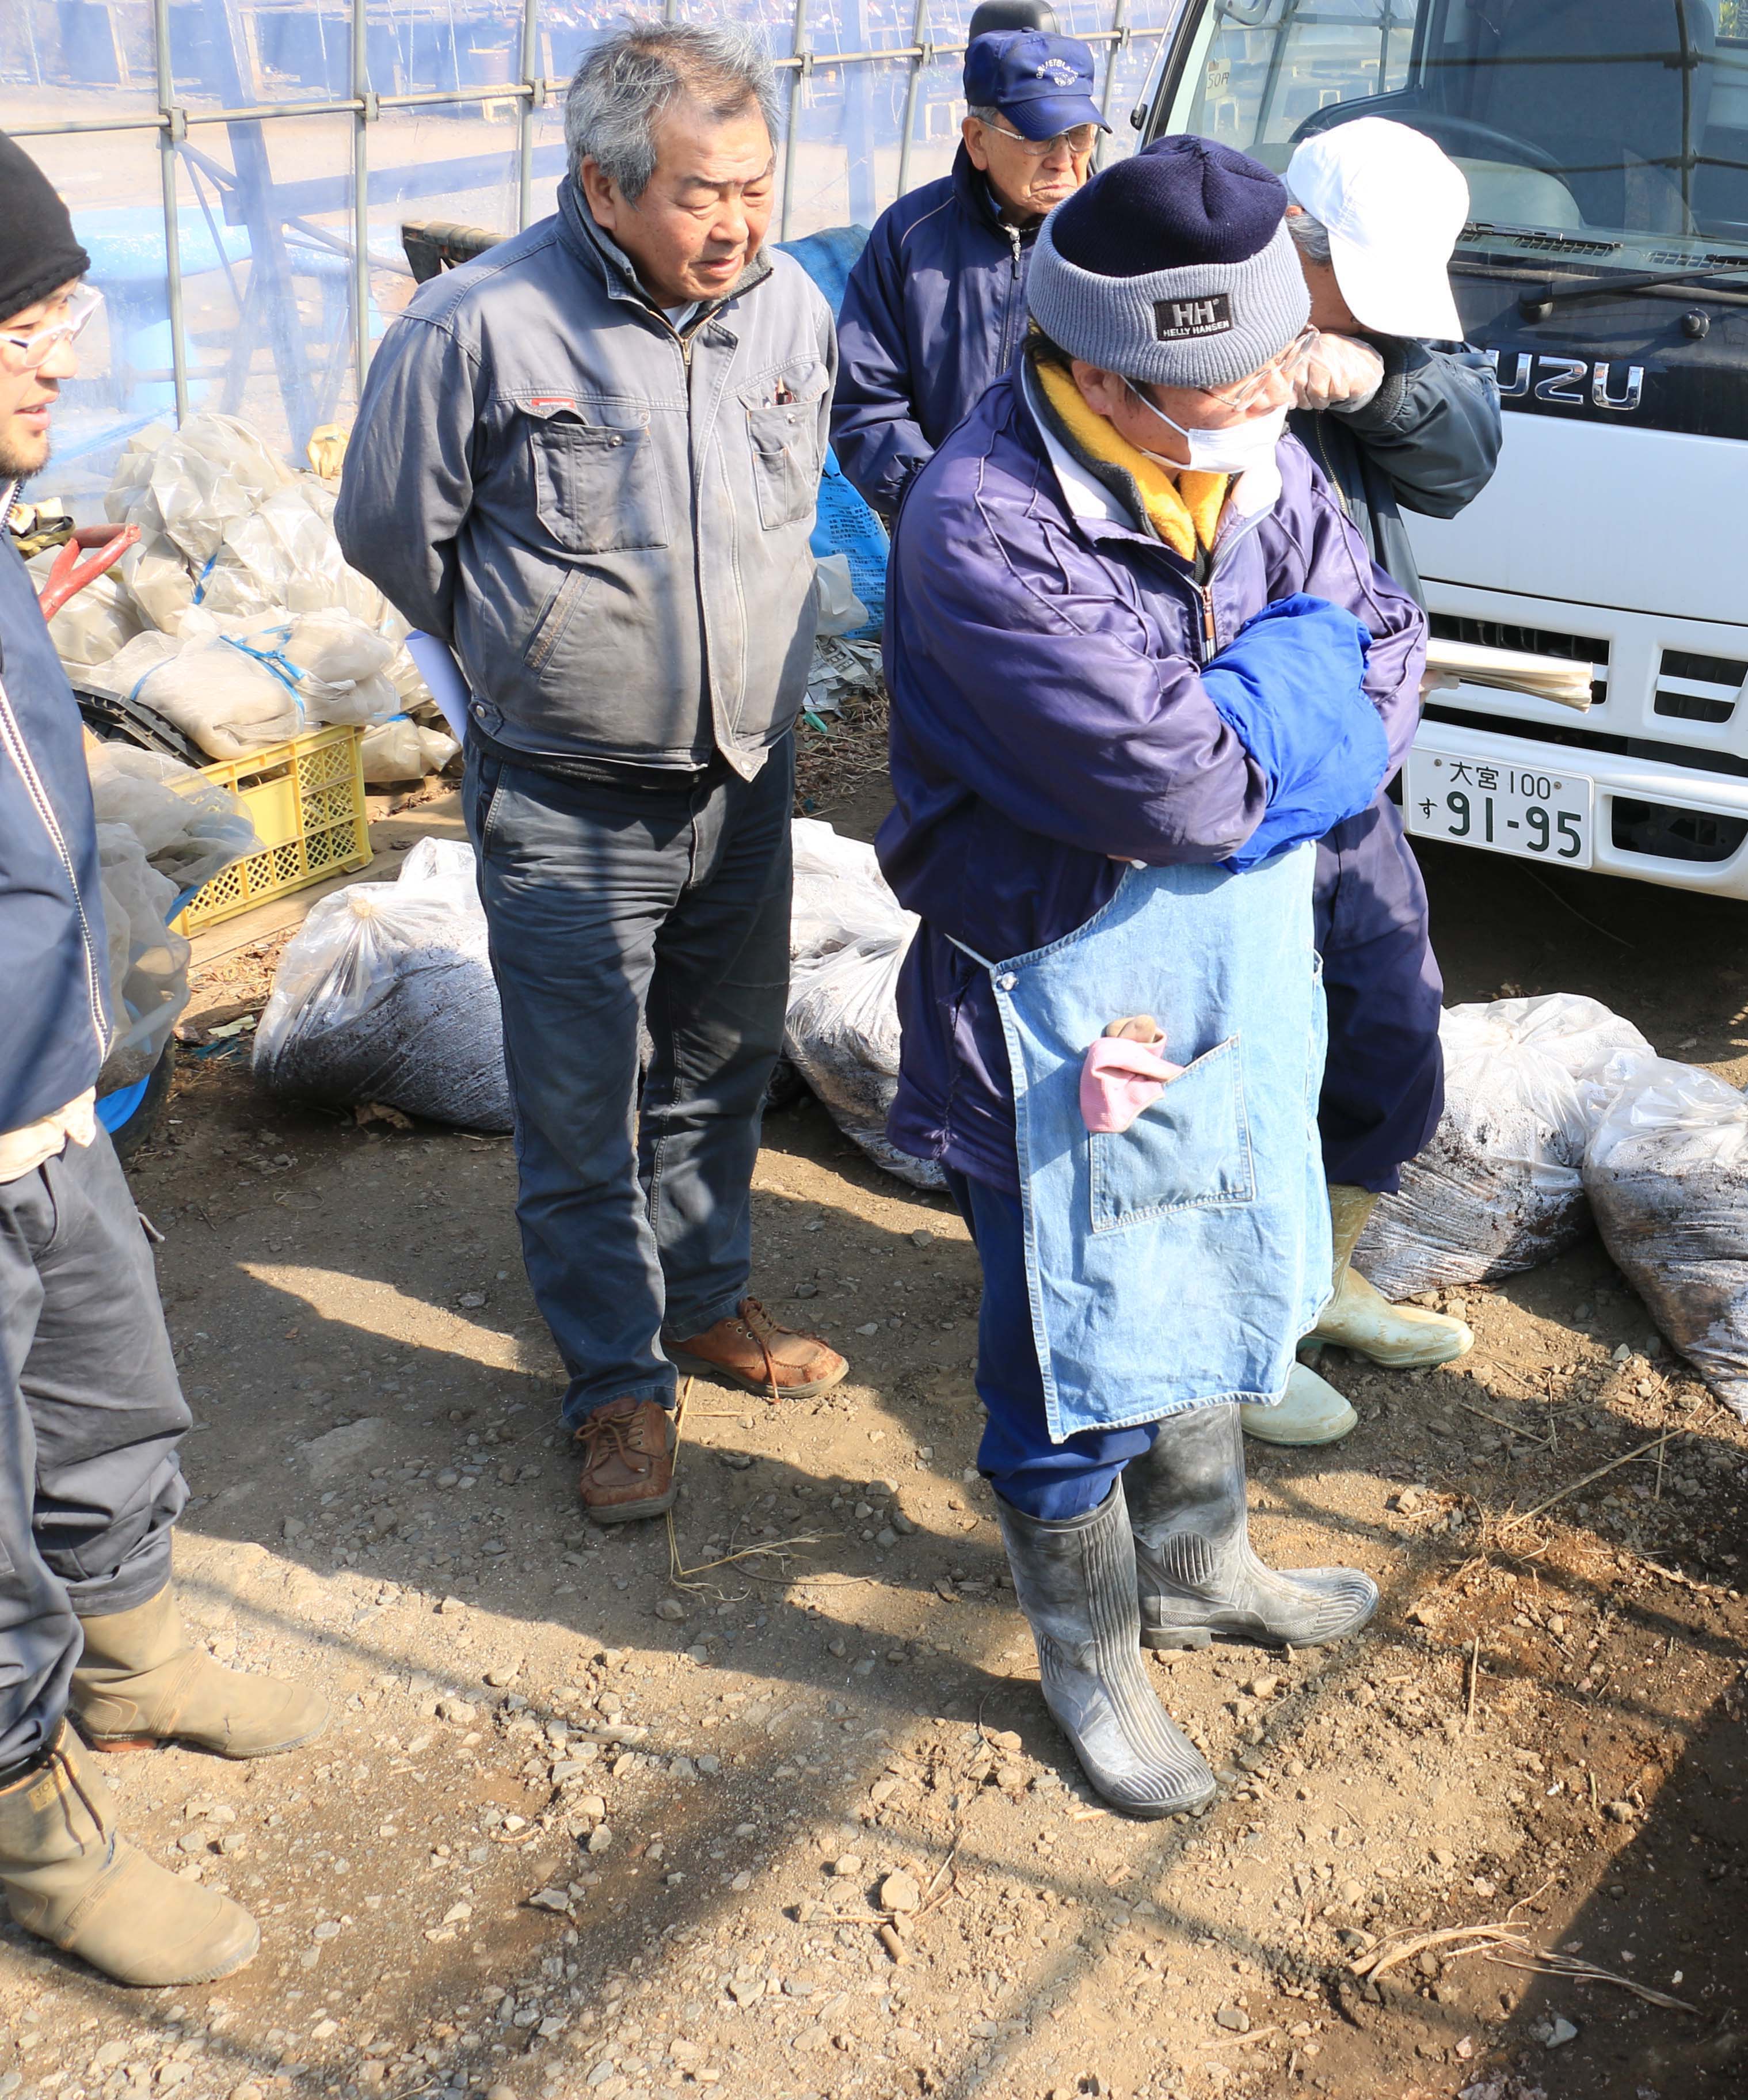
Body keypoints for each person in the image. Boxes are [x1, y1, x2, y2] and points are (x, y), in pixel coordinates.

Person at [879, 135, 1425, 1817]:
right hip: (1062, 1004)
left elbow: (1391, 656)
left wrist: (1279, 703)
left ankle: (1200, 1562)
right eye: (1236, 375)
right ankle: (1092, 1654)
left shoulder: (1256, 462)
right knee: (1070, 1327)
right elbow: (1187, 787)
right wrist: (1289, 697)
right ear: (1114, 373)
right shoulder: (988, 526)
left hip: (1230, 976)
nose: (1279, 395)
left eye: (1277, 360)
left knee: (1209, 1255)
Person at [336, 22, 849, 1527]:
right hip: (564, 794)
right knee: (579, 1104)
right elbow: (389, 534)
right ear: (604, 186)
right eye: (702, 194)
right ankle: (616, 1386)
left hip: (741, 777)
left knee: (717, 1060)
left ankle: (705, 1300)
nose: (738, 223)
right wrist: (528, 663)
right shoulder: (478, 330)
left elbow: (789, 509)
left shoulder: (787, 310)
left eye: (755, 187)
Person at [0, 131, 326, 1988]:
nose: (62, 356)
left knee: (110, 1395)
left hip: (47, 1099)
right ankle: (23, 1815)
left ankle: (129, 1656)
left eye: (65, 311)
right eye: (26, 319)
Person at [1237, 117, 1506, 1447]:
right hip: (1238, 763)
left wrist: (1377, 380)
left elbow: (1462, 458)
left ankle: (1321, 1275)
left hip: (1351, 750)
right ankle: (1239, 1329)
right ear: (1295, 237)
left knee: (1386, 1014)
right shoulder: (1191, 312)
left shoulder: (1389, 339)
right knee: (1243, 1047)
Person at [830, 26, 1104, 524]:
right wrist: (941, 500)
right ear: (978, 141)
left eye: (1080, 134)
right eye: (1040, 135)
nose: (1064, 160)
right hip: (946, 526)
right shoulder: (910, 236)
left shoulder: (1118, 235)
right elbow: (865, 403)